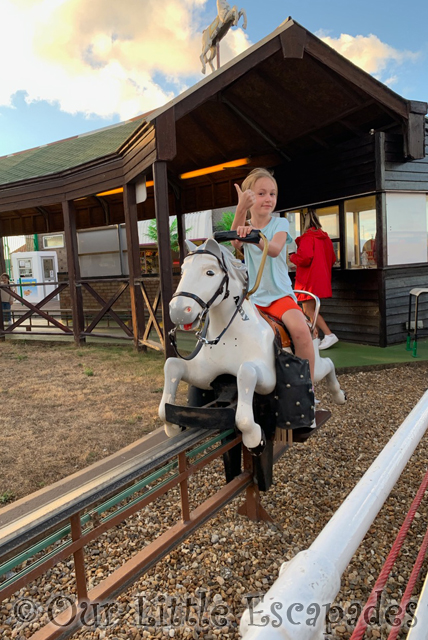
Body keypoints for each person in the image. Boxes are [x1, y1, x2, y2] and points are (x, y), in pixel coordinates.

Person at [231, 168, 315, 382]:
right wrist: (240, 209)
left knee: (301, 332)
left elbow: (275, 248)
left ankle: (307, 387)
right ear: (249, 198)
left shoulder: (280, 223)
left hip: (279, 296)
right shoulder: (245, 227)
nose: (268, 199)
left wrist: (255, 237)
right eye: (261, 194)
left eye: (272, 194)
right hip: (253, 298)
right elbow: (235, 242)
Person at [289, 209, 338, 350]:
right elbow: (332, 258)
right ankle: (315, 337)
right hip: (320, 278)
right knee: (310, 309)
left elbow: (304, 258)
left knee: (308, 310)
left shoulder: (307, 238)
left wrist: (292, 257)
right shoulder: (326, 238)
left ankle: (328, 335)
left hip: (308, 279)